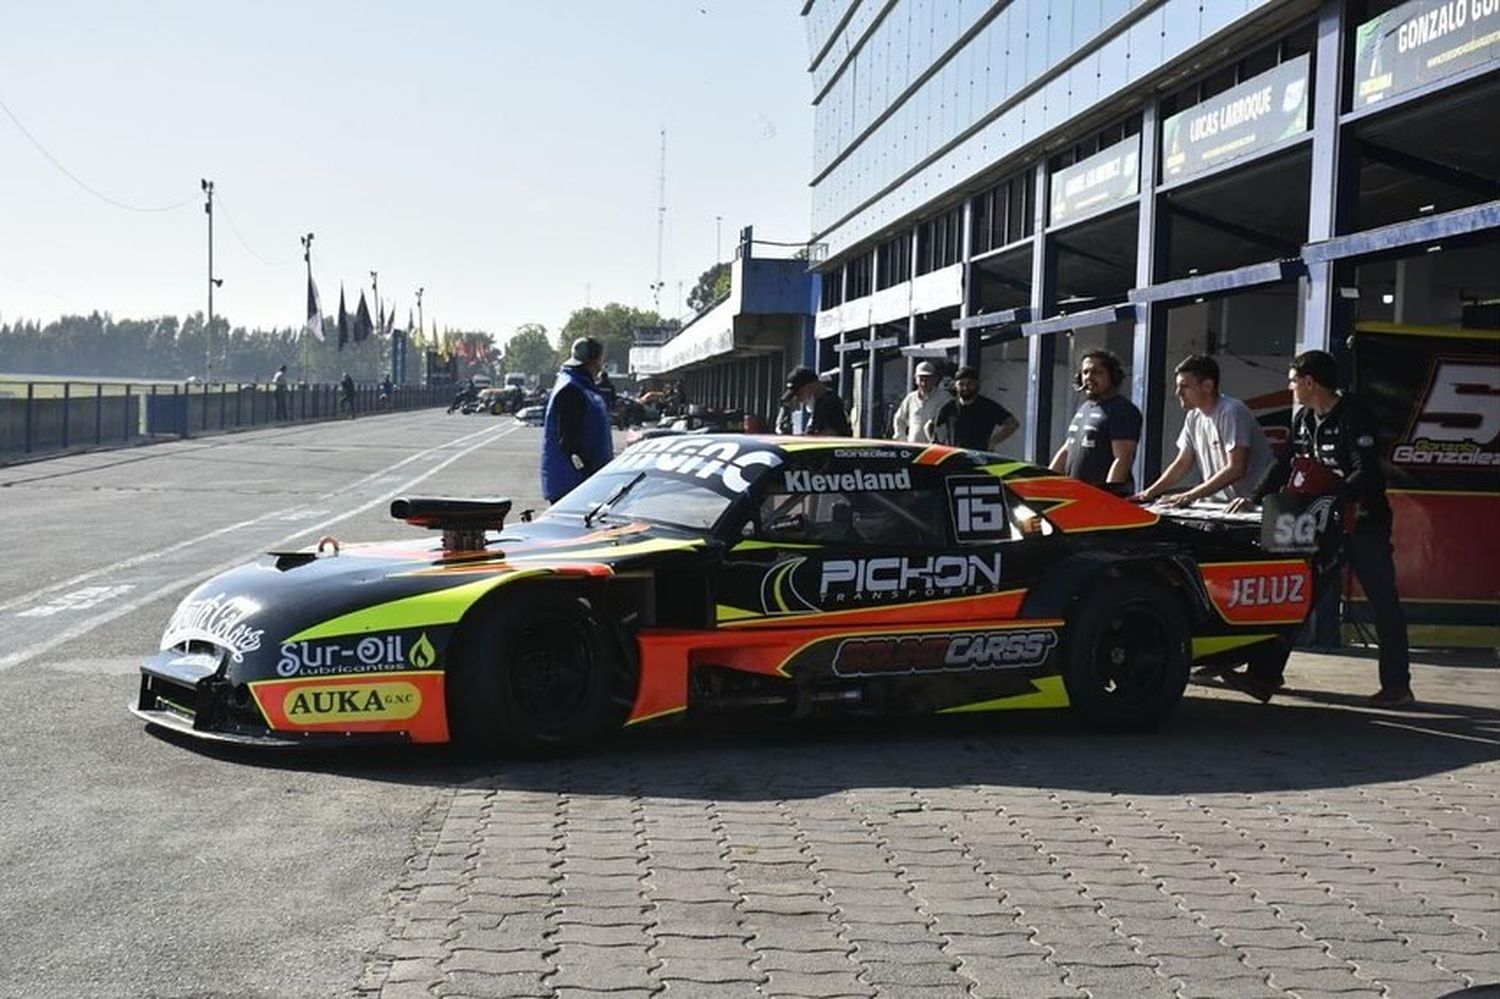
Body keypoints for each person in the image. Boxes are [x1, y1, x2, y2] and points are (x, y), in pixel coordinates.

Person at [1222, 349, 1413, 708]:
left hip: (1363, 525)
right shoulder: (1305, 419)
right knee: (1298, 595)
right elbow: (1284, 463)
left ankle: (1397, 685)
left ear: (1310, 382)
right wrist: (1256, 497)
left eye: (1293, 380)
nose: (1290, 387)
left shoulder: (1355, 416)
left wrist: (1334, 496)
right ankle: (1264, 675)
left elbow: (1367, 473)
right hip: (1317, 526)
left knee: (1384, 603)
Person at [1133, 354, 1275, 507]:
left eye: (1184, 386)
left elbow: (1236, 468)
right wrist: (1149, 493)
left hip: (1247, 505)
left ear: (1207, 386)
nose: (1178, 393)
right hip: (1216, 505)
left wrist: (1188, 496)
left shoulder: (1231, 411)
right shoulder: (1193, 416)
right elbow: (1182, 463)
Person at [1050, 349, 1142, 494]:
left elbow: (1122, 459)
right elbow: (1067, 449)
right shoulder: (1084, 408)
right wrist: (1046, 483)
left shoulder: (1122, 410)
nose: (1088, 377)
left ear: (1113, 376)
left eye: (1096, 372)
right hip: (1075, 498)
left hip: (1100, 502)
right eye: (1085, 372)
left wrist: (1107, 498)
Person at [541, 336, 614, 503]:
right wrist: (587, 471)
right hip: (573, 485)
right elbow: (568, 441)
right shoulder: (572, 390)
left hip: (581, 482)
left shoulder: (582, 386)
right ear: (594, 361)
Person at [925, 365, 1019, 451]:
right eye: (961, 384)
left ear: (977, 384)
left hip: (980, 458)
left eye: (970, 383)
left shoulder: (988, 406)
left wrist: (993, 442)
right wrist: (935, 442)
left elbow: (1012, 423)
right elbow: (929, 425)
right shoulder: (949, 406)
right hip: (953, 458)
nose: (965, 388)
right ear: (956, 386)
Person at [782, 366, 850, 436]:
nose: (799, 400)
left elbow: (831, 433)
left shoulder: (828, 403)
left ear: (809, 387)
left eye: (798, 394)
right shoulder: (818, 403)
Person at [891, 361, 946, 443]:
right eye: (921, 379)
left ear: (934, 379)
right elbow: (899, 419)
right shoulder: (910, 398)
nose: (924, 383)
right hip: (914, 447)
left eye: (927, 379)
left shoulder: (944, 398)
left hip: (936, 448)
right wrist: (901, 439)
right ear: (916, 379)